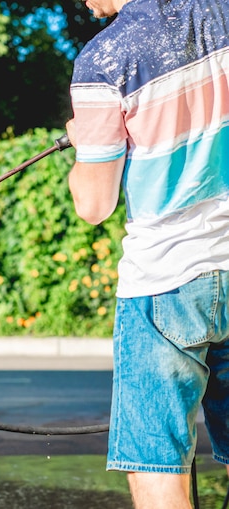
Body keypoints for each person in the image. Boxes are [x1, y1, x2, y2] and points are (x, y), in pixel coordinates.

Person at [65, 0, 229, 507]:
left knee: (157, 465)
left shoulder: (105, 59)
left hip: (165, 281)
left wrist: (82, 149)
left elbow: (94, 204)